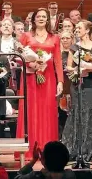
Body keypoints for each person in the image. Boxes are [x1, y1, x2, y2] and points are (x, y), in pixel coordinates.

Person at [15, 8, 63, 160]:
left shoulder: (55, 37)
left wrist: (60, 81)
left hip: (48, 78)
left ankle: (47, 150)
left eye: (44, 16)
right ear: (33, 19)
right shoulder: (25, 36)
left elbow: (58, 61)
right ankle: (29, 150)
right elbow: (18, 57)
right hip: (30, 78)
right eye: (39, 16)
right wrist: (32, 65)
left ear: (48, 20)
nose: (41, 18)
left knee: (47, 112)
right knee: (30, 111)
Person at [62, 20, 92, 162]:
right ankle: (75, 149)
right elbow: (68, 67)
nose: (76, 30)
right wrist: (77, 69)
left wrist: (89, 67)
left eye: (79, 28)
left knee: (91, 114)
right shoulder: (74, 47)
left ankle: (90, 149)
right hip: (78, 86)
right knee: (77, 114)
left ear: (87, 30)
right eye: (76, 28)